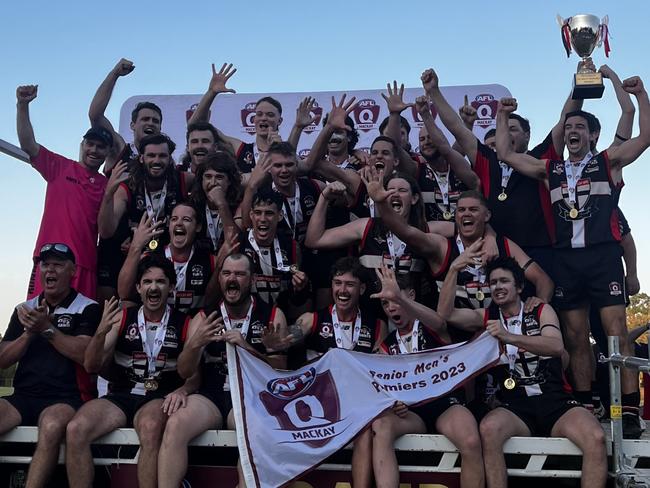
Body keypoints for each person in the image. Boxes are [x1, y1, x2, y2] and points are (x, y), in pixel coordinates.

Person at [495, 78, 650, 437]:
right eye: (568, 127)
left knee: (616, 333)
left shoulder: (607, 162)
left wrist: (640, 95)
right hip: (566, 259)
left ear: (591, 135)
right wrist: (503, 116)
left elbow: (644, 137)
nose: (573, 130)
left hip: (602, 257)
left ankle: (627, 409)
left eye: (580, 126)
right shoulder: (548, 170)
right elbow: (505, 154)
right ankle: (583, 404)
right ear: (563, 136)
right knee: (576, 336)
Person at [437, 254, 606, 488]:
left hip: (555, 402)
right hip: (516, 407)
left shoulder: (540, 310)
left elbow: (556, 346)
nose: (497, 287)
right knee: (488, 428)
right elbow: (445, 315)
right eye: (493, 282)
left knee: (596, 438)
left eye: (504, 281)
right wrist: (454, 268)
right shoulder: (487, 317)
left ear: (519, 286)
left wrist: (508, 337)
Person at [158, 253, 288, 488]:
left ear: (252, 279)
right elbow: (185, 370)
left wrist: (247, 348)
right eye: (227, 273)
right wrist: (195, 343)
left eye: (239, 274)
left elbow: (281, 373)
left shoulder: (272, 315)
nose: (232, 279)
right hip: (213, 395)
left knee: (252, 431)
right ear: (219, 279)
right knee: (175, 425)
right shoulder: (204, 317)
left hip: (252, 396)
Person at [65, 255, 196, 488]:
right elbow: (91, 365)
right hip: (122, 395)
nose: (153, 287)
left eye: (160, 282)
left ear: (171, 287)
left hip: (160, 395)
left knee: (150, 427)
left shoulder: (186, 321)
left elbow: (195, 376)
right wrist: (100, 332)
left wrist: (184, 390)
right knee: (76, 429)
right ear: (138, 287)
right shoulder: (123, 316)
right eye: (147, 282)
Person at [266, 256, 387, 488]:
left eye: (349, 284)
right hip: (317, 403)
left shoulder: (377, 325)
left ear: (361, 289)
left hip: (355, 403)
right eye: (337, 283)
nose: (342, 290)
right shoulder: (312, 320)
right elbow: (287, 340)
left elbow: (381, 370)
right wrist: (277, 342)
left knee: (365, 429)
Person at [364, 170, 553, 312]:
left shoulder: (503, 245)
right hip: (456, 339)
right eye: (461, 210)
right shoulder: (442, 246)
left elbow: (543, 280)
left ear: (487, 216)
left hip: (498, 333)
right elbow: (406, 232)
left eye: (473, 210)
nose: (466, 214)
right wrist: (382, 203)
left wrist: (538, 306)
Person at [369, 266, 485, 488]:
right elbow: (383, 387)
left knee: (470, 440)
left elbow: (441, 322)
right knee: (381, 425)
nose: (392, 307)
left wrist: (400, 299)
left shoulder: (430, 326)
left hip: (445, 405)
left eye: (396, 300)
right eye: (386, 303)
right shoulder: (386, 345)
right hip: (412, 412)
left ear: (411, 296)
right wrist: (394, 403)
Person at [0, 244, 99, 488]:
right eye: (45, 264)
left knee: (52, 425)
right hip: (24, 396)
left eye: (58, 264)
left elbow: (86, 356)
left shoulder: (88, 307)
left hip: (67, 397)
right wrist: (28, 334)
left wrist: (47, 329)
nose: (50, 270)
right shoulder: (25, 309)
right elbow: (3, 360)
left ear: (73, 271)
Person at [16, 85, 109, 300]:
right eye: (90, 144)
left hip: (84, 265)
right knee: (37, 323)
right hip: (48, 262)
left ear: (106, 153)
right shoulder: (60, 166)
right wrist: (22, 106)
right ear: (82, 144)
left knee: (79, 327)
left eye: (101, 147)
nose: (94, 150)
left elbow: (107, 228)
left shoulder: (107, 185)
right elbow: (28, 144)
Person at [97, 133, 194, 301]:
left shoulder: (183, 180)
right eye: (151, 155)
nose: (157, 161)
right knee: (124, 302)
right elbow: (106, 231)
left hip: (166, 261)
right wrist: (108, 195)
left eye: (162, 155)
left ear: (170, 158)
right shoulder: (128, 185)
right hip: (132, 259)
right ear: (141, 158)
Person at [118, 203, 216, 316]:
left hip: (193, 325)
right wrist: (136, 246)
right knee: (124, 305)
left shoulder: (211, 260)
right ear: (169, 225)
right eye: (174, 219)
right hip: (157, 323)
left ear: (198, 227)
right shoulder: (151, 257)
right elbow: (123, 293)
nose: (179, 223)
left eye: (186, 219)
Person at [88, 58, 163, 172]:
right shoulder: (120, 149)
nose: (150, 123)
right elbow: (95, 115)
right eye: (145, 119)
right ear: (132, 125)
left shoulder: (164, 159)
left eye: (155, 121)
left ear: (160, 128)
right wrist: (114, 74)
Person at [188, 151, 242, 252]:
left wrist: (222, 205)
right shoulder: (193, 205)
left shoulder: (239, 205)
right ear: (201, 179)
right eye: (208, 177)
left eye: (219, 177)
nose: (213, 183)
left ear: (229, 181)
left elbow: (235, 245)